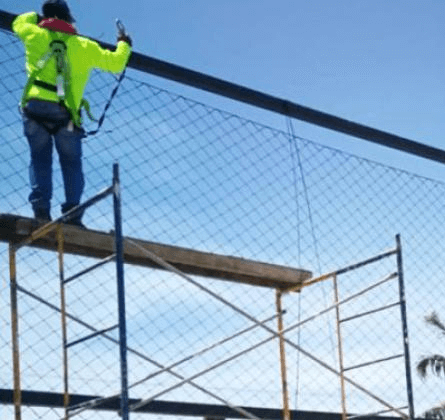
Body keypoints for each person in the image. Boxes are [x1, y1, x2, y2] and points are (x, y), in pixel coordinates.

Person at [12, 0, 132, 227]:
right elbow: (116, 63)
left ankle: (41, 211)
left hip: (35, 108)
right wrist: (124, 43)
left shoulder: (32, 34)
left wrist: (41, 19)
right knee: (71, 163)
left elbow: (19, 21)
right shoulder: (84, 46)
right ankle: (72, 214)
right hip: (65, 114)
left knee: (39, 159)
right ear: (69, 19)